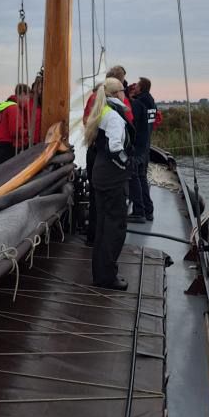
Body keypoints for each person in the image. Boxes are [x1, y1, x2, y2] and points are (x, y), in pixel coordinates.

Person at [84, 77, 133, 290]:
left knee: (104, 225)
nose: (125, 93)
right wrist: (127, 163)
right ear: (115, 94)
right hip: (112, 178)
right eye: (123, 90)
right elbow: (115, 148)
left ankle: (101, 273)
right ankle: (106, 276)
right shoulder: (114, 116)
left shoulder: (102, 112)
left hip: (101, 175)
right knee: (115, 227)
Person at [127, 78, 155, 223]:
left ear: (141, 87)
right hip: (146, 146)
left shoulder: (139, 103)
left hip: (137, 146)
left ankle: (139, 211)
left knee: (134, 177)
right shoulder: (151, 102)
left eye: (137, 85)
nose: (135, 87)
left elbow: (133, 123)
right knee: (142, 177)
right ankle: (148, 210)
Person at [0, 83, 30, 166]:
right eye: (28, 97)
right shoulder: (13, 108)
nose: (28, 100)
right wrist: (28, 133)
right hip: (8, 149)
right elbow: (15, 132)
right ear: (23, 94)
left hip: (1, 148)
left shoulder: (6, 106)